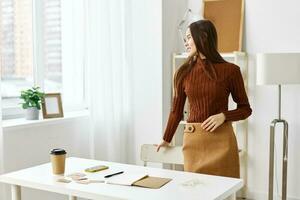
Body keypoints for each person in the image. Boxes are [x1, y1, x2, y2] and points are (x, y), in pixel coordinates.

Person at [156, 20, 252, 178]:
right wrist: (166, 138)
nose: (186, 43)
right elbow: (176, 111)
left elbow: (245, 109)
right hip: (193, 142)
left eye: (188, 38)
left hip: (223, 141)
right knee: (195, 191)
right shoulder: (183, 73)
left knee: (224, 191)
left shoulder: (231, 71)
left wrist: (224, 116)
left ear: (203, 37)